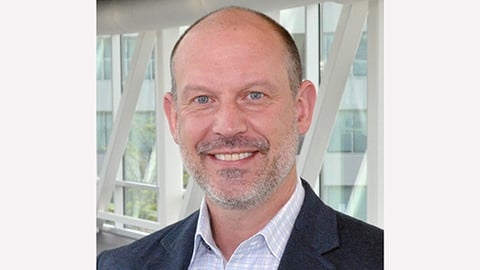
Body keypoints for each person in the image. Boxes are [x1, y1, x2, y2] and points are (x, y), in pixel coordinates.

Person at [97, 6, 383, 269]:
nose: (228, 126)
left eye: (254, 95)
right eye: (202, 99)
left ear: (301, 110)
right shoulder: (117, 265)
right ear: (174, 118)